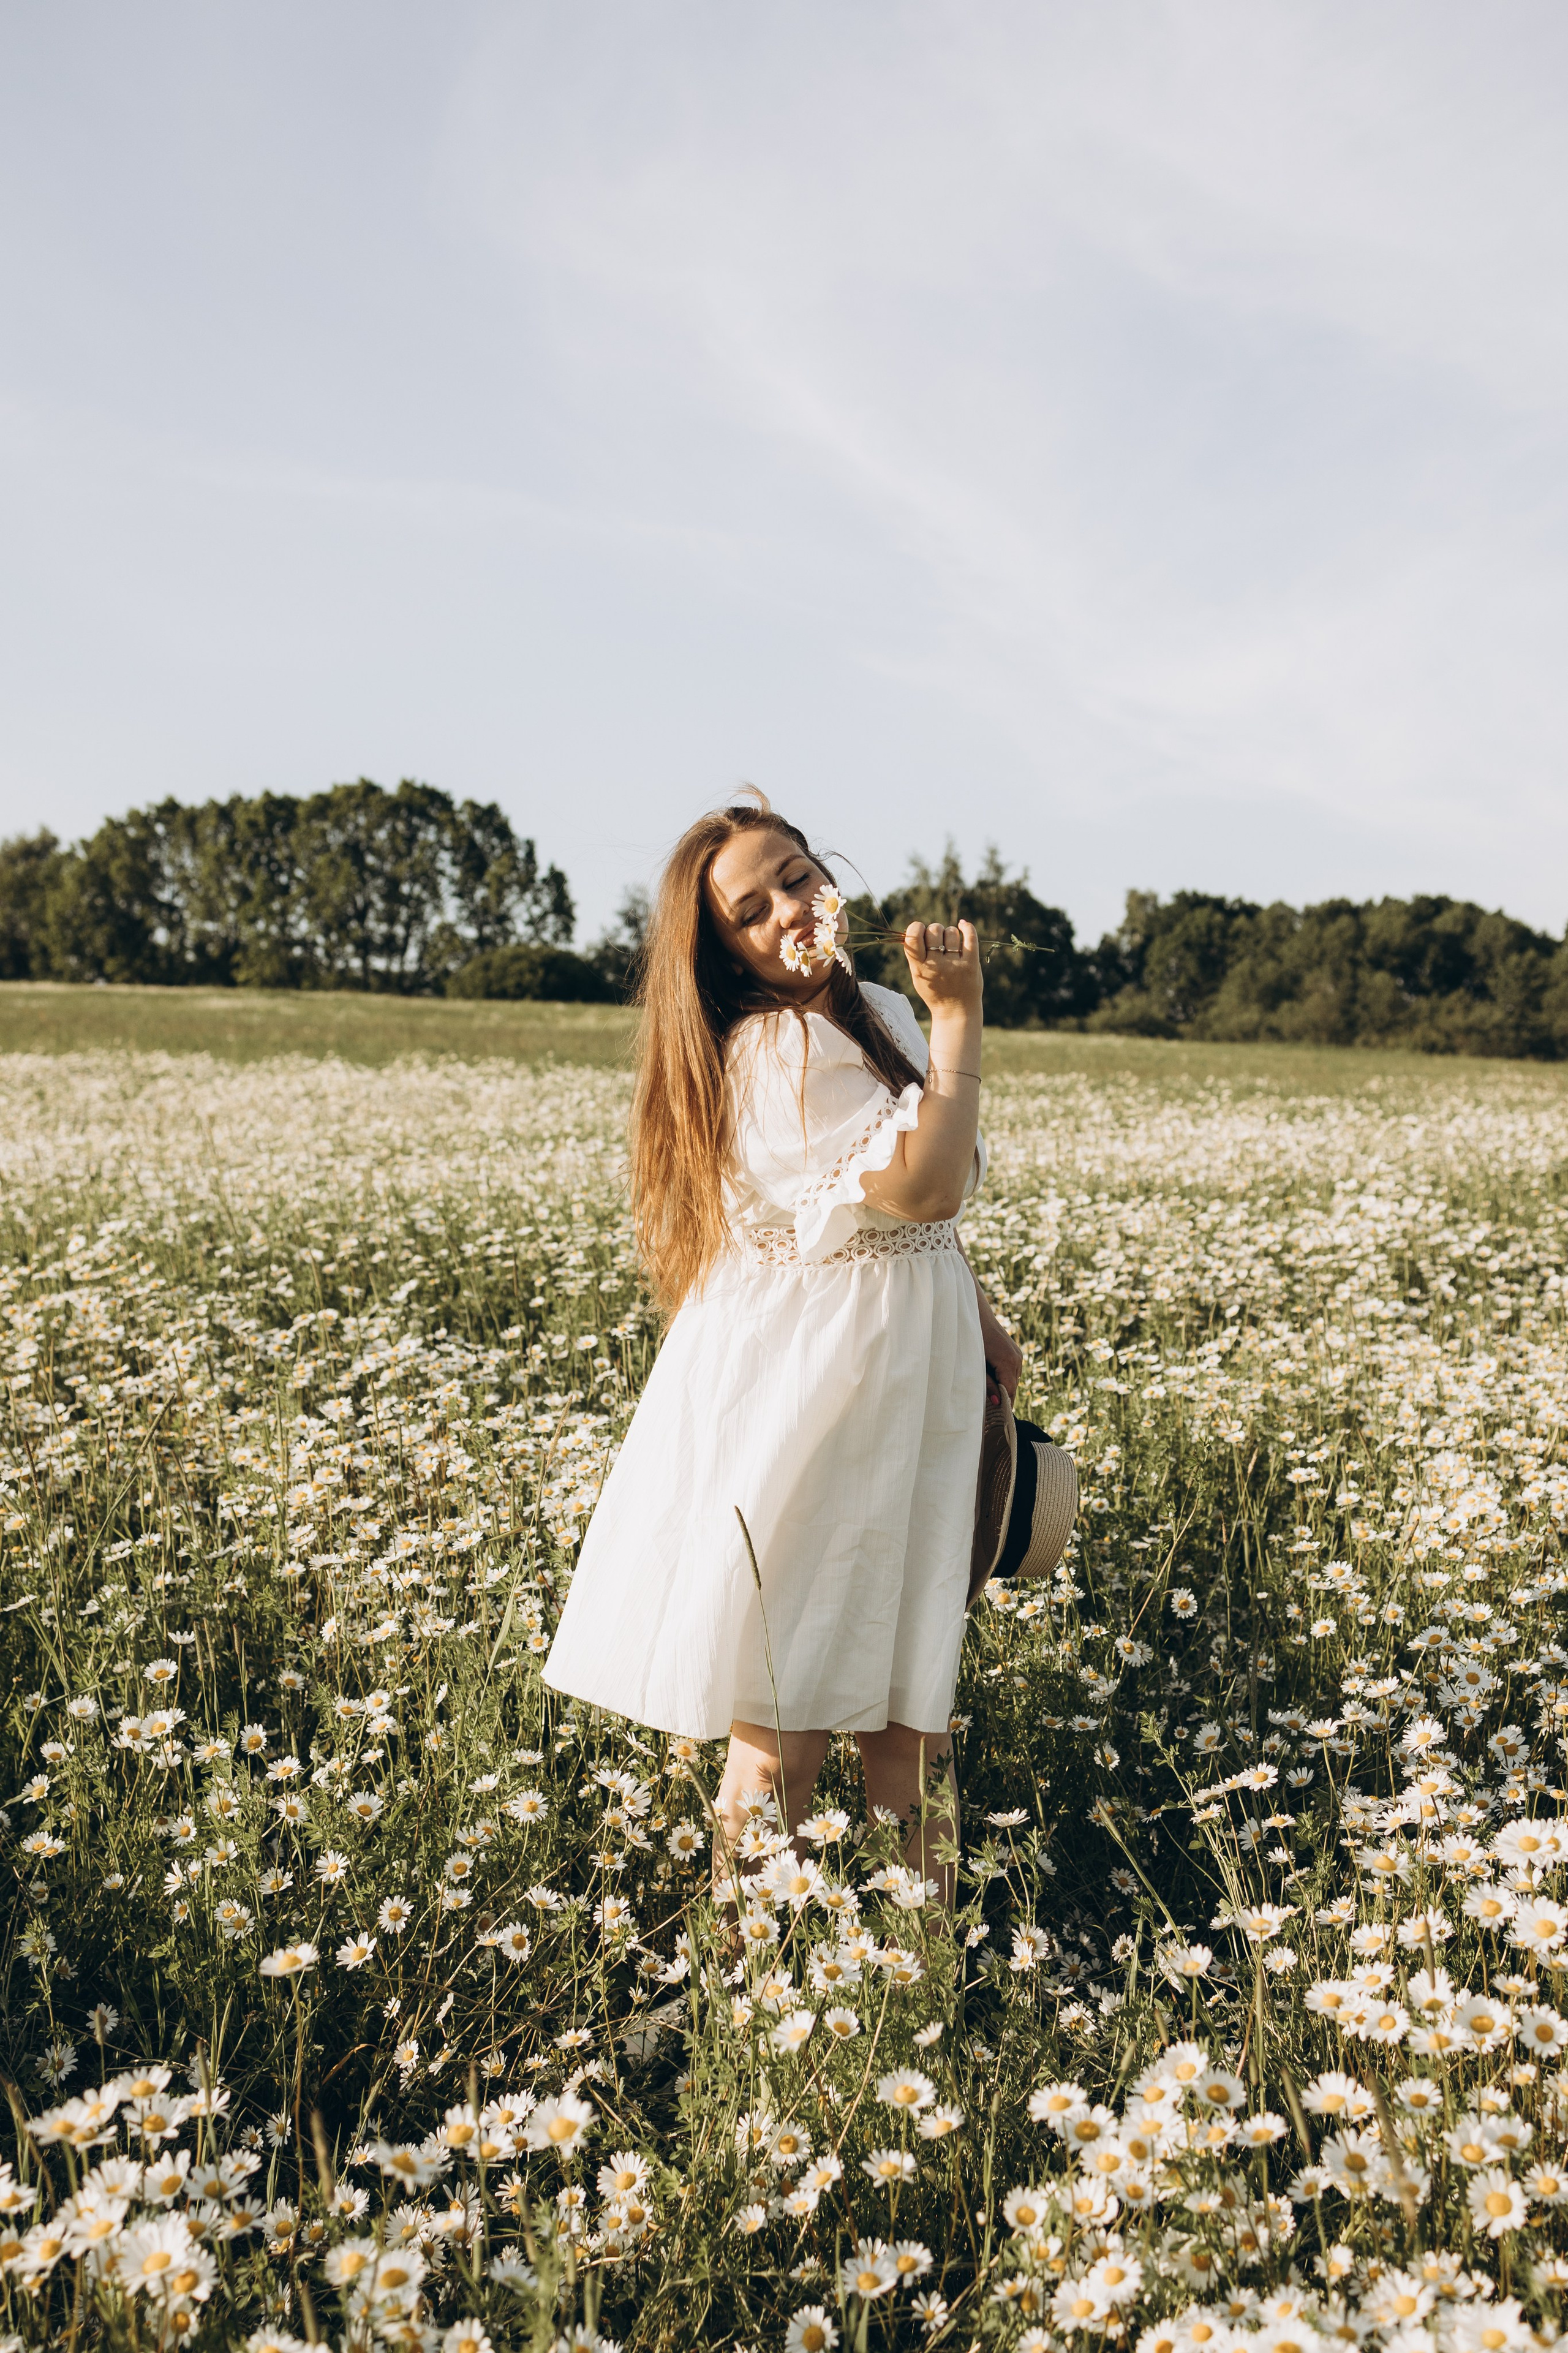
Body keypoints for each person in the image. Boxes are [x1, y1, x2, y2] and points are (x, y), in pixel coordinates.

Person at [542, 797, 1021, 1902]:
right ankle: (751, 1984)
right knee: (788, 1713)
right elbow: (928, 1178)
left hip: (908, 1378)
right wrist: (963, 1019)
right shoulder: (778, 1047)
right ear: (725, 957)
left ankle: (921, 1973)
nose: (789, 914)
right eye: (751, 913)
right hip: (828, 1400)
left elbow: (912, 1220)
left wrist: (981, 1321)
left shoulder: (880, 1009)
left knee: (910, 1712)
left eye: (798, 878)